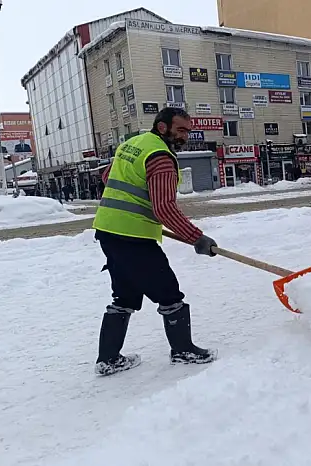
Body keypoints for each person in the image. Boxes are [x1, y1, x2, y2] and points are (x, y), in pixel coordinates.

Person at [91, 107, 217, 376]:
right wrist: (197, 238)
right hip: (133, 237)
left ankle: (109, 358)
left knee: (124, 296)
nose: (186, 136)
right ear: (162, 127)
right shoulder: (160, 157)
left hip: (108, 231)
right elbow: (164, 209)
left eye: (188, 130)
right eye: (181, 130)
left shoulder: (132, 144)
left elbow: (107, 177)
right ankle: (183, 351)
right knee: (169, 293)